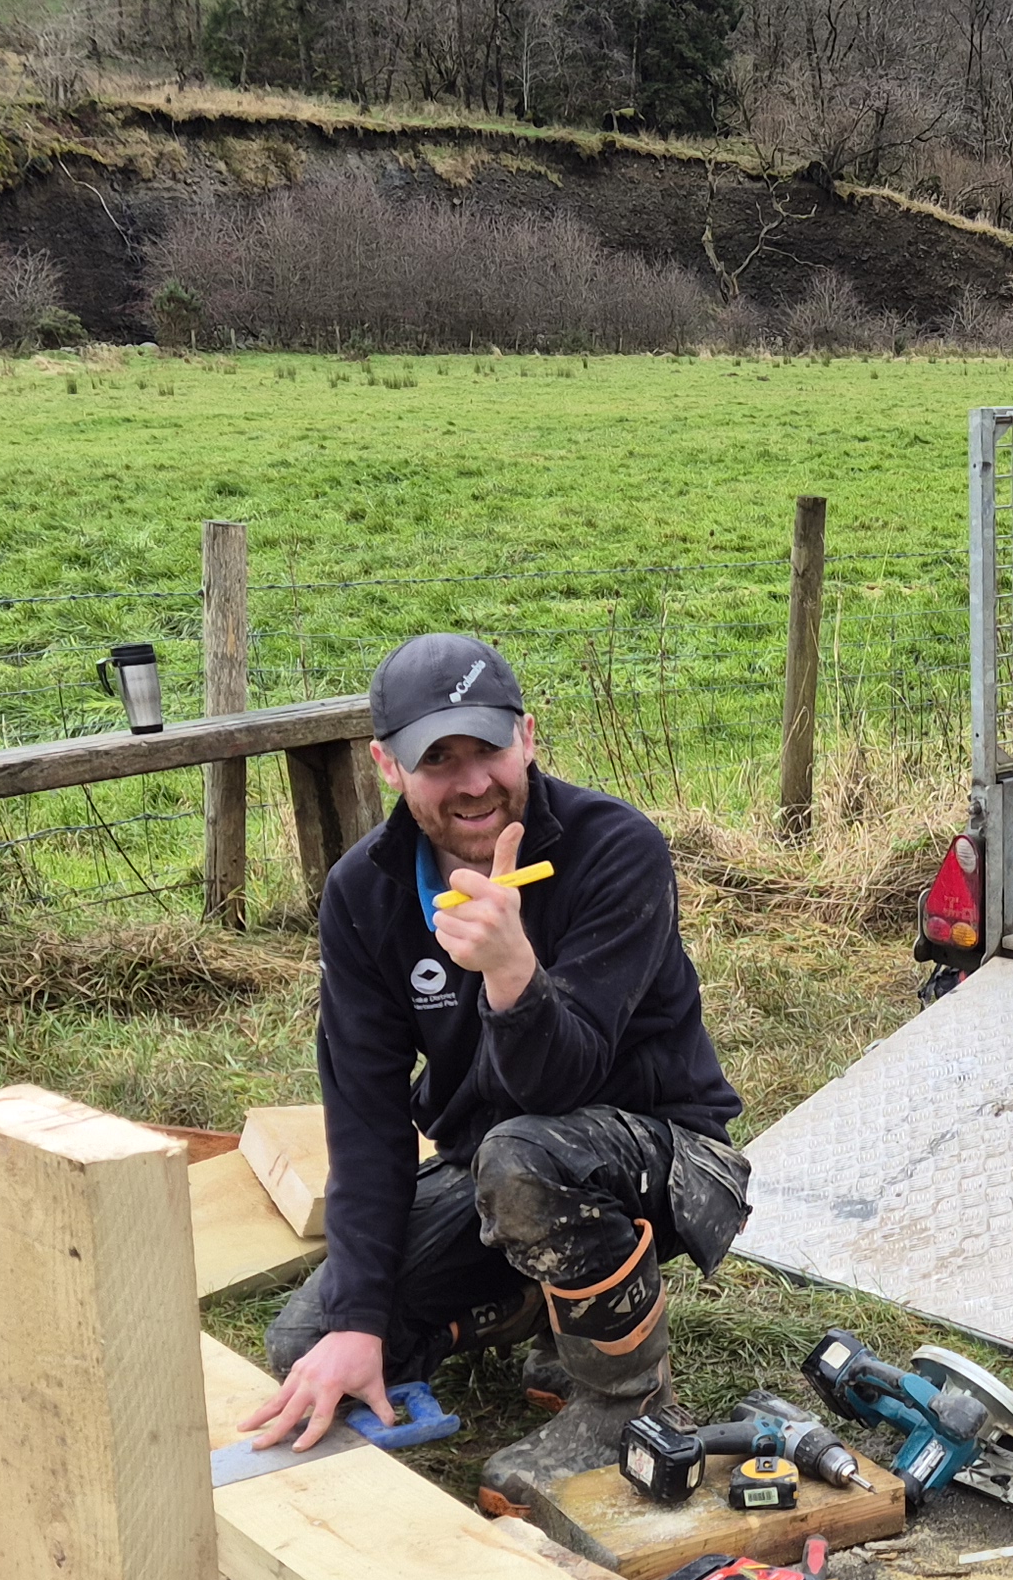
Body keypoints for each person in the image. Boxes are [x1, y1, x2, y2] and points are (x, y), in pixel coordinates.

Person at [243, 632, 748, 1489]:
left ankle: (627, 1400)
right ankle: (534, 1298)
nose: (474, 782)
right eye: (438, 759)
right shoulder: (364, 893)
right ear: (388, 767)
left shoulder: (616, 850)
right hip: (494, 1168)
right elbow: (364, 1116)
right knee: (313, 1339)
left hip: (667, 1157)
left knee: (523, 1156)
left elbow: (563, 1083)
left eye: (489, 748)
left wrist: (512, 971)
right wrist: (359, 1320)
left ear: (529, 737)